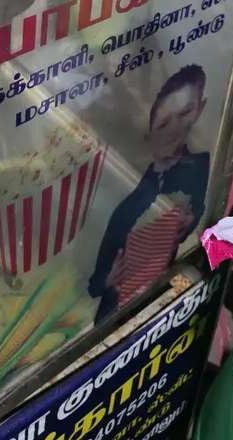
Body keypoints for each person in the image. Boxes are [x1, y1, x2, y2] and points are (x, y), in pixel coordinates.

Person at [88, 64, 210, 323]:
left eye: (186, 112)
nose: (175, 129)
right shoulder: (123, 195)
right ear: (149, 132)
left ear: (200, 110)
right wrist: (108, 280)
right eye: (164, 122)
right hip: (116, 313)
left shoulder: (199, 167)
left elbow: (201, 215)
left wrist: (190, 222)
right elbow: (92, 282)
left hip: (163, 290)